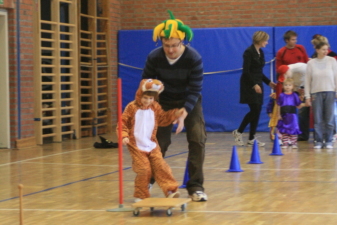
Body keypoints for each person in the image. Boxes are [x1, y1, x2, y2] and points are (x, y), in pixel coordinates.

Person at [142, 10, 208, 202]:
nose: (170, 50)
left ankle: (195, 186)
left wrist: (184, 112)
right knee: (159, 143)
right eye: (166, 46)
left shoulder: (193, 58)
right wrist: (151, 100)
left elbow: (195, 88)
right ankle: (149, 180)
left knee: (197, 139)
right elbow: (146, 82)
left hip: (189, 101)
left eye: (174, 45)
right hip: (163, 102)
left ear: (183, 42)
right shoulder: (154, 57)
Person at [119, 79, 184, 202]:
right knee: (144, 169)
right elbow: (122, 123)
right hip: (136, 145)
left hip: (152, 144)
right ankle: (140, 194)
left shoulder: (155, 107)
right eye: (145, 98)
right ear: (139, 94)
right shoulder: (131, 107)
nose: (147, 101)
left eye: (151, 99)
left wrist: (175, 113)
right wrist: (124, 135)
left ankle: (170, 190)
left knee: (162, 167)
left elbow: (163, 119)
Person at [232, 31, 276, 147]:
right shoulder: (248, 52)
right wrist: (254, 85)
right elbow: (246, 71)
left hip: (258, 84)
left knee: (257, 110)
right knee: (254, 110)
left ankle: (251, 138)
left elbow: (259, 72)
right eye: (266, 40)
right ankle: (239, 131)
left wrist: (269, 83)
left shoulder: (260, 52)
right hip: (249, 84)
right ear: (260, 40)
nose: (267, 43)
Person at [276, 30, 310, 141]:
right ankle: (286, 133)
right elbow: (279, 69)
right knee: (288, 110)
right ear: (287, 40)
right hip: (289, 86)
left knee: (303, 111)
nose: (295, 41)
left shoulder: (300, 48)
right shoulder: (282, 52)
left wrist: (304, 86)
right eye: (292, 40)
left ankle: (303, 134)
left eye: (296, 39)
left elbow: (307, 65)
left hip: (302, 84)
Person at [305, 42, 337, 149]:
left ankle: (328, 140)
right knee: (318, 119)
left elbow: (336, 77)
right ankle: (318, 140)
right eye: (323, 49)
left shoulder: (332, 61)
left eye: (326, 49)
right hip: (316, 93)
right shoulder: (311, 63)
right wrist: (307, 96)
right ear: (317, 50)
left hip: (330, 92)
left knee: (329, 119)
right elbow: (307, 81)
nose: (326, 51)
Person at [276, 78, 306, 149]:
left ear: (292, 86)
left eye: (289, 85)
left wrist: (303, 101)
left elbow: (298, 105)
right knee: (284, 130)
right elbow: (278, 105)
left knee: (293, 129)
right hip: (284, 116)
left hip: (292, 116)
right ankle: (285, 143)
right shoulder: (281, 95)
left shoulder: (294, 95)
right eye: (286, 85)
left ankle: (293, 143)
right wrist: (278, 114)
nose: (287, 86)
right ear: (283, 86)